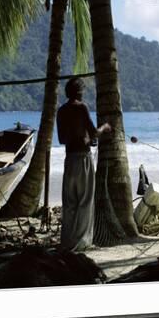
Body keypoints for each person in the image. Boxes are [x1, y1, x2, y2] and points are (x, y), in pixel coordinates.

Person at [56, 77, 111, 251]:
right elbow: (94, 132)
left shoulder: (61, 111)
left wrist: (82, 137)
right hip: (83, 159)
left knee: (70, 202)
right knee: (85, 201)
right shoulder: (81, 107)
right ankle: (82, 243)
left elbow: (62, 139)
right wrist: (106, 128)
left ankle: (68, 242)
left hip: (69, 160)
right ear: (79, 92)